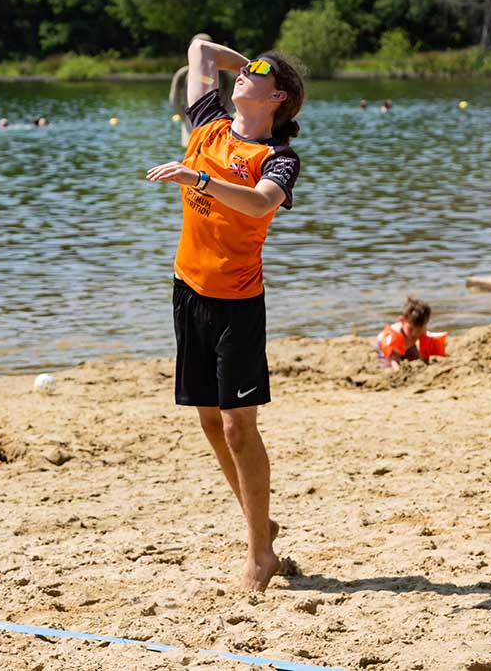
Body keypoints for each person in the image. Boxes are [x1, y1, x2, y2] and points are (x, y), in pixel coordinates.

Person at [146, 37, 305, 592]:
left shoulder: (279, 158)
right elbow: (199, 49)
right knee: (210, 421)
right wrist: (253, 66)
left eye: (261, 76)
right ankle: (262, 525)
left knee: (239, 427)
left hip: (237, 302)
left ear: (278, 98)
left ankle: (260, 556)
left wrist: (201, 181)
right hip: (188, 289)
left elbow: (260, 203)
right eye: (246, 70)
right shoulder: (208, 123)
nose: (244, 76)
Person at [375, 296, 447, 370]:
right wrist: (399, 371)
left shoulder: (422, 328)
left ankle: (404, 354)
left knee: (415, 357)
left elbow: (425, 351)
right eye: (410, 329)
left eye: (419, 330)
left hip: (408, 346)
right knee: (389, 368)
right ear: (402, 321)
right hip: (386, 346)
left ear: (426, 324)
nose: (414, 334)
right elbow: (394, 359)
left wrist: (425, 365)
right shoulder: (396, 334)